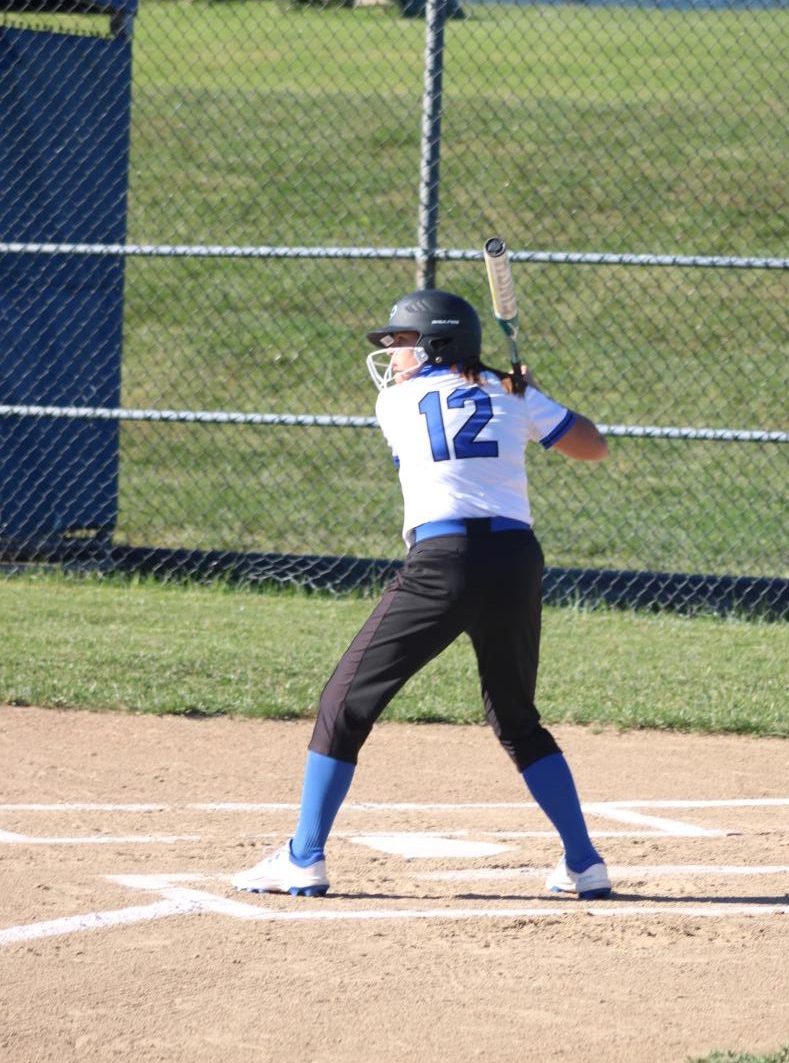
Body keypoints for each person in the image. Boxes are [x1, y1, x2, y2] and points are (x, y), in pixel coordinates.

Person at [232, 287, 613, 899]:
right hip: (516, 561)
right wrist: (527, 393)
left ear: (437, 343)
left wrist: (505, 389)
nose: (393, 355)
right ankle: (584, 861)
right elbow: (592, 446)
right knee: (516, 718)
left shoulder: (398, 403)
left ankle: (303, 857)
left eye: (402, 342)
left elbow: (429, 450)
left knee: (344, 703)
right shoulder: (513, 394)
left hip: (443, 562)